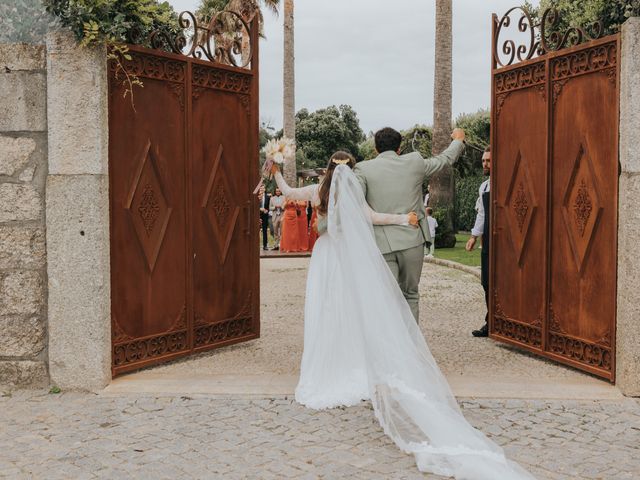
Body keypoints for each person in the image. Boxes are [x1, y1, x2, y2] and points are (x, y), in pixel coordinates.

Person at [271, 152, 534, 480]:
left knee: (326, 310)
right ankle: (353, 361)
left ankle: (328, 361)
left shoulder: (317, 191)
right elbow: (374, 217)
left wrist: (277, 171)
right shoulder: (354, 194)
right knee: (350, 312)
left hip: (325, 257)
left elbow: (289, 192)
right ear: (351, 172)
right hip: (345, 260)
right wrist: (405, 219)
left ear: (327, 169)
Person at [354, 127, 466, 322]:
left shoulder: (363, 169)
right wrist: (458, 140)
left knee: (386, 297)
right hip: (412, 241)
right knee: (411, 294)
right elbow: (444, 159)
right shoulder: (414, 163)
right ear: (399, 148)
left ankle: (389, 344)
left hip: (381, 243)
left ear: (375, 149)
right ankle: (412, 344)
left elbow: (354, 200)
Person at [466, 146, 491, 337]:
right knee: (486, 282)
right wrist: (474, 236)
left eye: (489, 160)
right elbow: (482, 214)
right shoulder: (483, 186)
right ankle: (491, 322)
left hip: (505, 241)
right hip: (488, 240)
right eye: (483, 160)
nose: (485, 164)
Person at [258, 185, 271, 250]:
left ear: (265, 189)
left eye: (263, 188)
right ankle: (256, 245)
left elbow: (269, 206)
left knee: (265, 230)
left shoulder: (268, 197)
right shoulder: (257, 196)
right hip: (258, 215)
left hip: (265, 216)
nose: (262, 189)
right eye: (261, 188)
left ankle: (265, 245)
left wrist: (267, 210)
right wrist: (260, 209)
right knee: (257, 231)